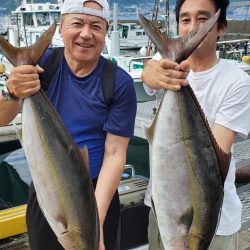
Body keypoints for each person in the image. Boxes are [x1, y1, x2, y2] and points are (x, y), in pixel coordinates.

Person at [0, 0, 137, 249]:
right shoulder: (41, 66)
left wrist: (95, 220)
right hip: (46, 188)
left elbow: (116, 152)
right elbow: (2, 119)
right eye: (77, 23)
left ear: (106, 33)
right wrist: (12, 91)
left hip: (98, 194)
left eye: (96, 25)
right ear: (61, 28)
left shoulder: (119, 82)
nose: (86, 33)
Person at [141, 0, 250, 249]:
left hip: (211, 222)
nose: (193, 28)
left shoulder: (237, 82)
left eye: (203, 20)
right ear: (178, 25)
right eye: (186, 20)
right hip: (161, 210)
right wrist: (153, 73)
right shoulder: (166, 63)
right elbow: (149, 72)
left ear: (220, 27)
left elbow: (213, 157)